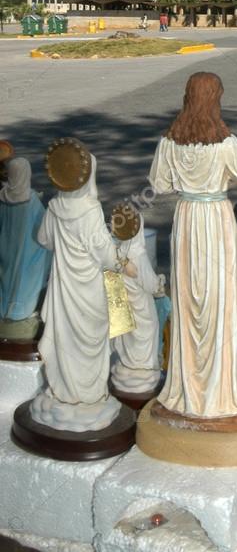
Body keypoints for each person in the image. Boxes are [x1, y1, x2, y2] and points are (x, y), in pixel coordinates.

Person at [149, 71, 237, 418]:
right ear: (215, 99)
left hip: (186, 220)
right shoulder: (226, 143)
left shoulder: (169, 142)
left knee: (189, 299)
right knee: (220, 299)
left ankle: (188, 387)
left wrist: (189, 183)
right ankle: (218, 389)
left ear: (188, 97)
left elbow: (159, 184)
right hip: (215, 221)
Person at [30, 150, 137, 431]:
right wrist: (122, 261)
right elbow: (105, 256)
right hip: (89, 291)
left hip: (63, 290)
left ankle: (64, 391)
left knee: (64, 339)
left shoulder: (54, 207)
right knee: (89, 342)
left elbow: (43, 240)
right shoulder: (90, 212)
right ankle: (89, 395)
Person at [110, 209, 165, 395]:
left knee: (129, 335)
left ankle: (128, 362)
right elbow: (151, 285)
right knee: (147, 331)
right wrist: (160, 282)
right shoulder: (138, 256)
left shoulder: (118, 252)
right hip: (142, 306)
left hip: (125, 304)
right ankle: (143, 366)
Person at [0, 158, 52, 332]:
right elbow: (44, 233)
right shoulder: (31, 202)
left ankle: (4, 307)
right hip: (27, 257)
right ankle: (21, 309)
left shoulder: (2, 197)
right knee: (40, 258)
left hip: (5, 253)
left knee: (6, 277)